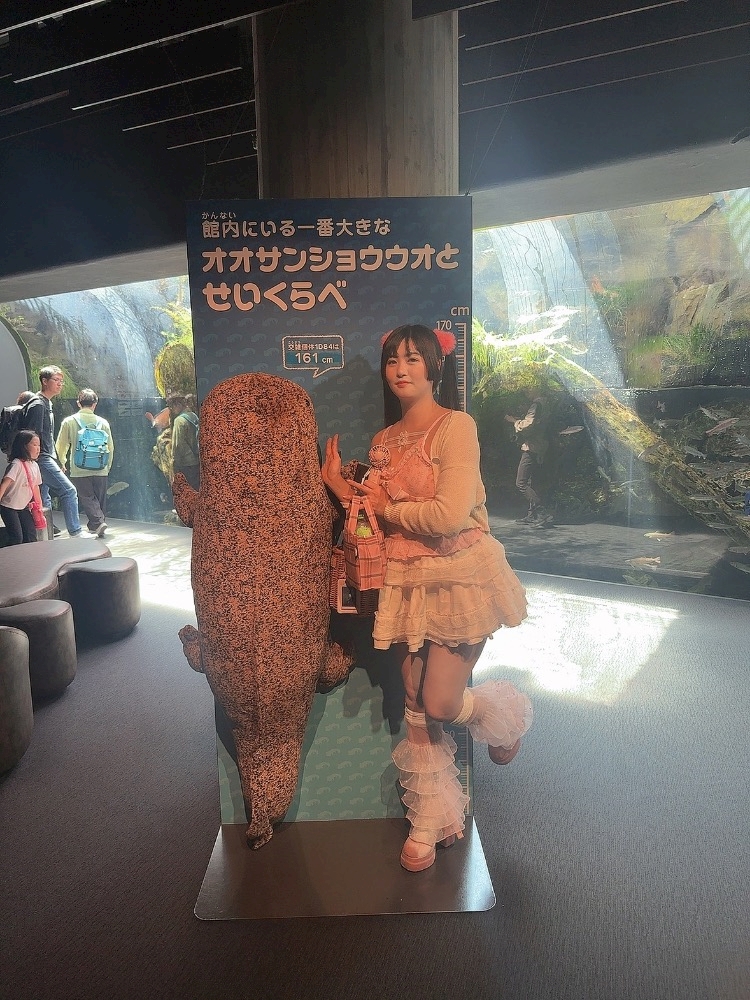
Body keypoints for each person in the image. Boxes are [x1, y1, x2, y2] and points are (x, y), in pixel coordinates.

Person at [322, 324, 532, 873]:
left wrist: (385, 507)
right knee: (414, 700)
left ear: (434, 367)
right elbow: (374, 517)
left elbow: (449, 514)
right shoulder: (384, 440)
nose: (401, 369)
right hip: (403, 578)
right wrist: (343, 490)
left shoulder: (455, 426)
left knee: (440, 701)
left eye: (413, 359)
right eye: (393, 359)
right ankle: (430, 820)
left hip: (460, 575)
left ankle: (504, 716)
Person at [20, 366, 83, 538]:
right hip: (41, 458)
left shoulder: (45, 403)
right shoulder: (38, 405)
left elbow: (46, 436)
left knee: (43, 498)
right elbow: (32, 435)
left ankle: (45, 534)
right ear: (44, 381)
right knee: (68, 491)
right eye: (56, 380)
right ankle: (75, 532)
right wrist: (34, 459)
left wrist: (56, 460)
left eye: (61, 381)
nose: (60, 384)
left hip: (45, 456)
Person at [55, 388, 114, 537]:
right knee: (99, 499)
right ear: (95, 404)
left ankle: (98, 523)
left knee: (87, 497)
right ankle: (97, 524)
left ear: (78, 403)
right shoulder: (103, 423)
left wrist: (61, 462)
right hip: (100, 468)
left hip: (79, 468)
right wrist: (107, 466)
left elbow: (61, 445)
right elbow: (110, 447)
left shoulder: (69, 422)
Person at [504, 391, 552, 527]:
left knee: (521, 483)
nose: (526, 392)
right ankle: (532, 515)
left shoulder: (536, 405)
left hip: (532, 447)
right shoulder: (546, 404)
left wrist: (513, 421)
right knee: (531, 482)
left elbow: (527, 424)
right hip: (541, 446)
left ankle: (542, 512)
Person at [0, 430, 45, 544]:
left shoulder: (35, 465)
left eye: (39, 445)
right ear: (24, 446)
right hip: (9, 507)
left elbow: (35, 487)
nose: (38, 449)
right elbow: (5, 484)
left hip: (24, 507)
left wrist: (39, 507)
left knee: (30, 535)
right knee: (17, 537)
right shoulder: (16, 464)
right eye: (34, 445)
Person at [167, 394, 200, 491]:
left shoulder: (179, 420)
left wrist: (174, 463)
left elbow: (177, 444)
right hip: (197, 461)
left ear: (178, 404)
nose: (172, 410)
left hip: (186, 464)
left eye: (172, 406)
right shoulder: (193, 416)